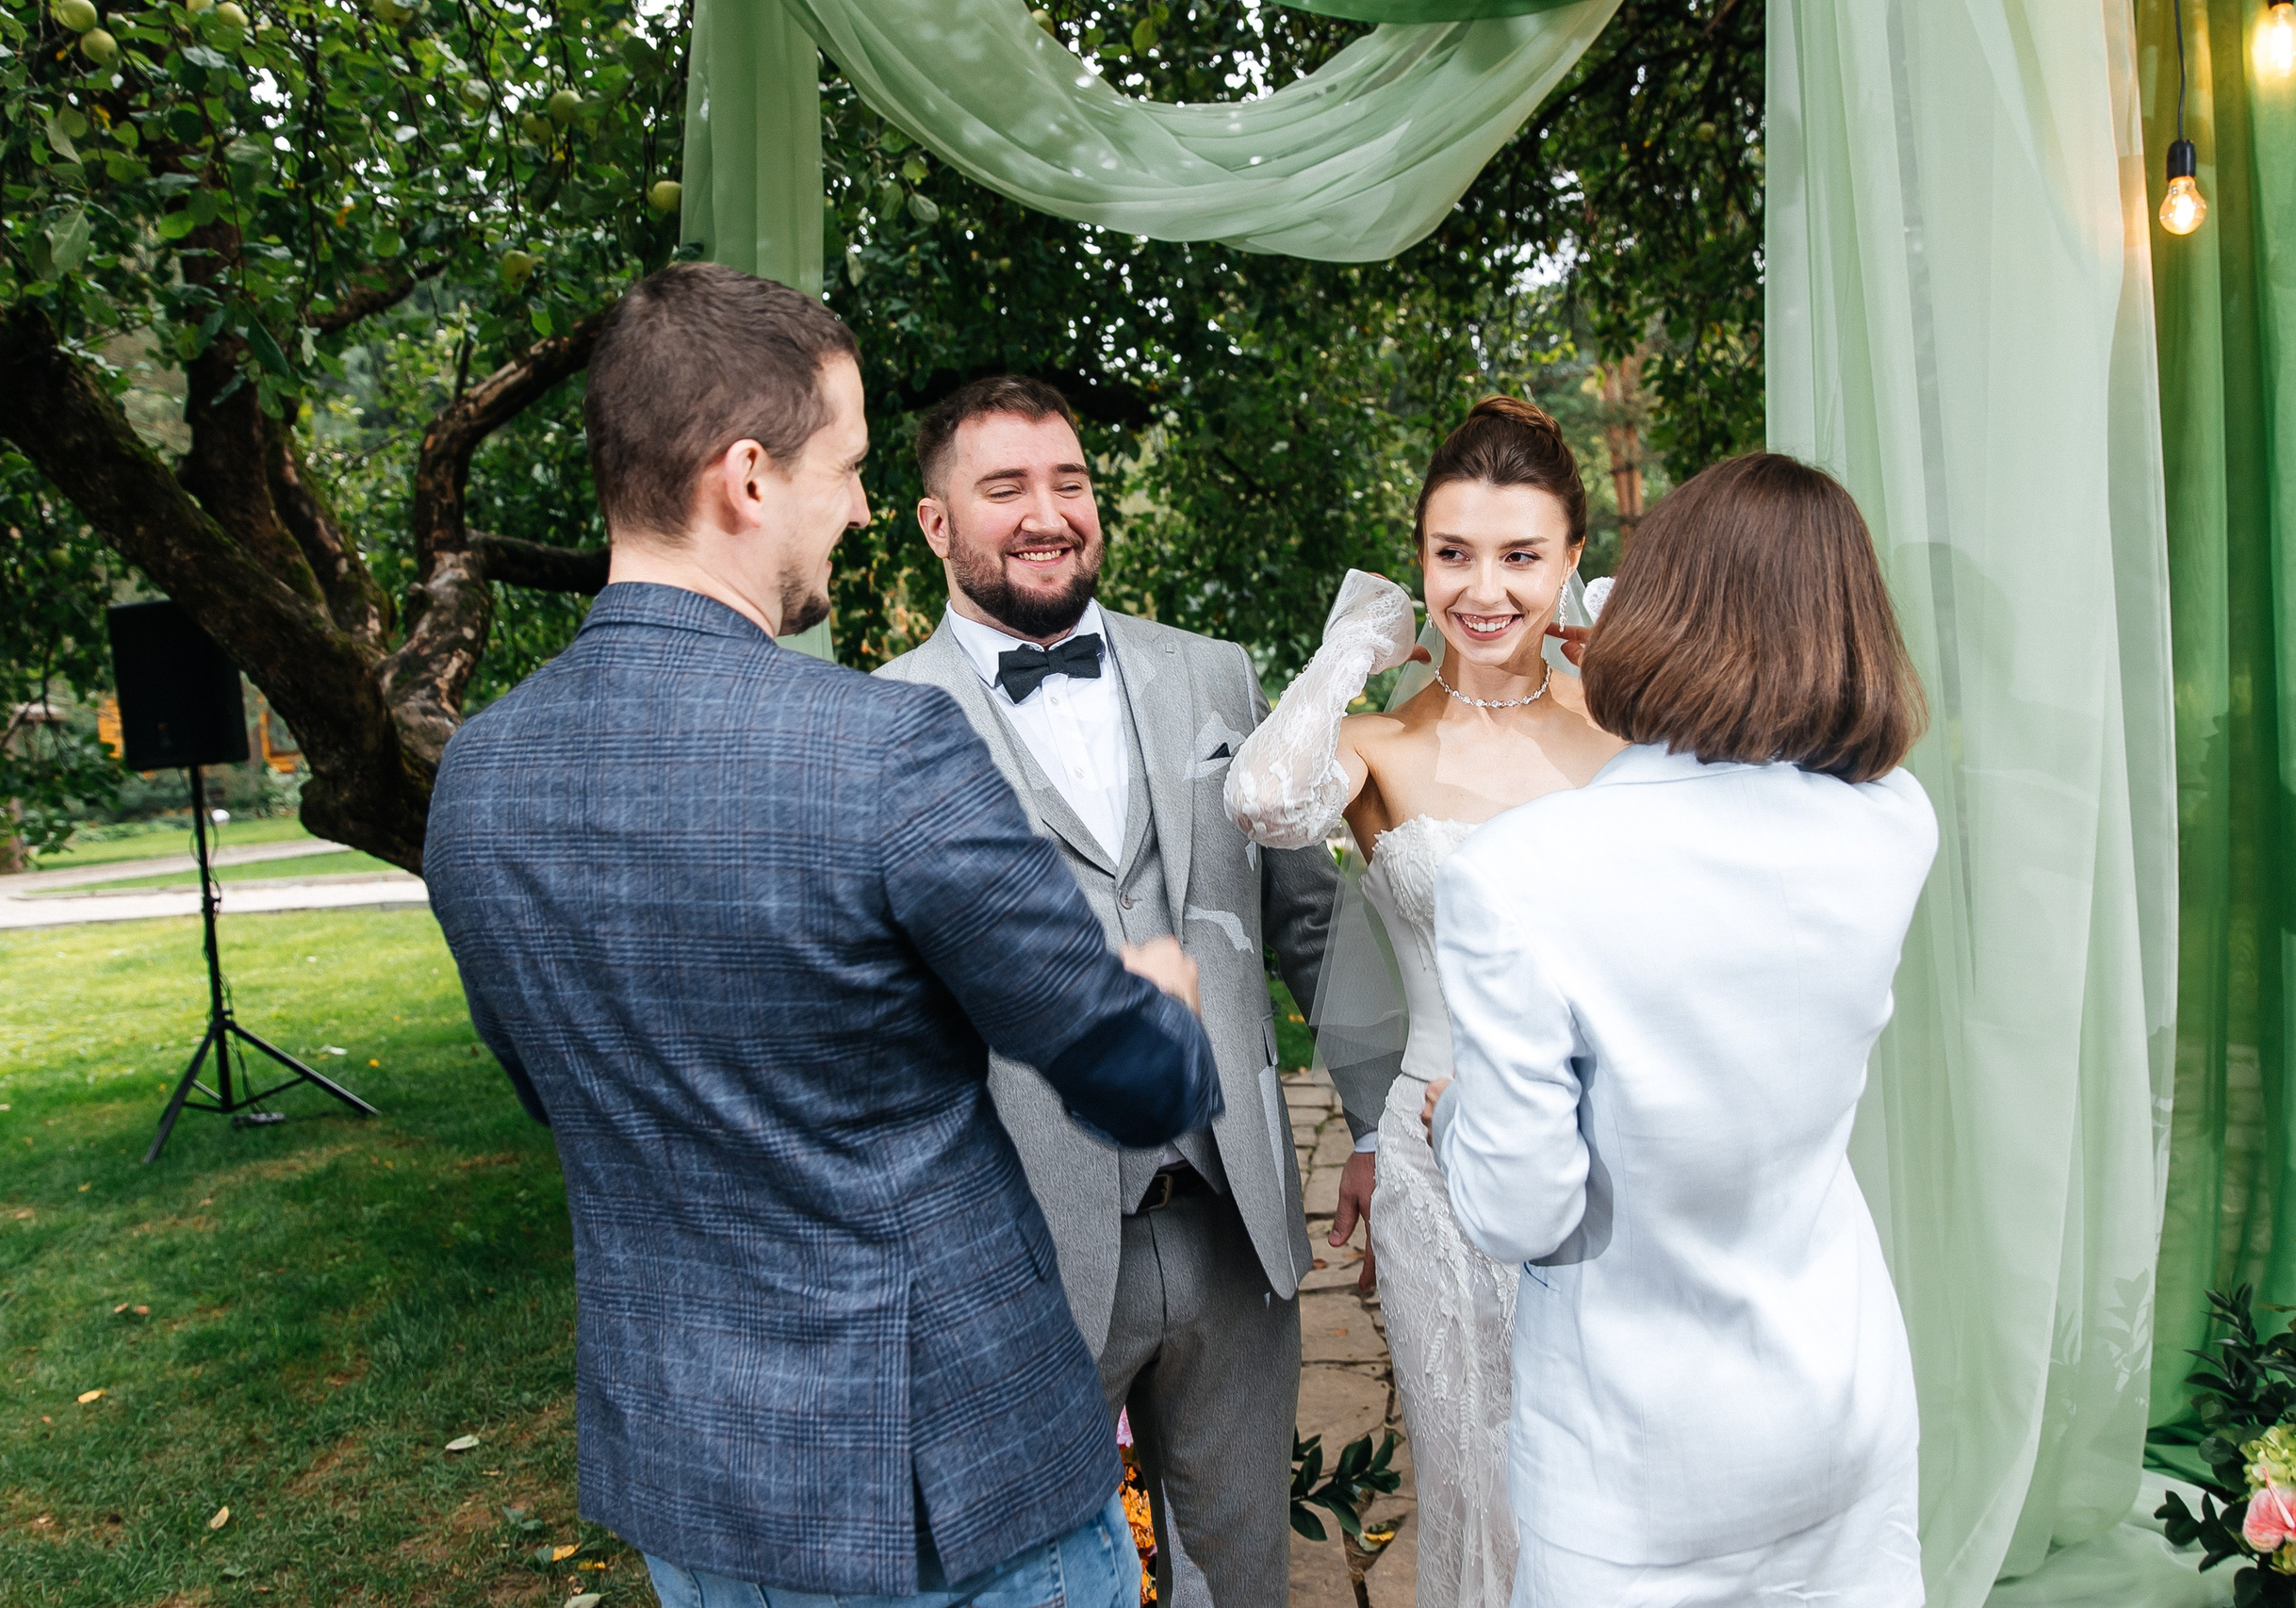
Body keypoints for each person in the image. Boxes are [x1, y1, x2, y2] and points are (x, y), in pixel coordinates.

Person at [421, 264, 1221, 1608]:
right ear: (748, 477)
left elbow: (556, 1089)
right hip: (949, 1492)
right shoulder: (884, 746)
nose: (858, 507)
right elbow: (1132, 1079)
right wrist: (1162, 998)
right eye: (845, 469)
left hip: (693, 1487)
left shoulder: (479, 775)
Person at [1425, 452, 1935, 1606]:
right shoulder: (1895, 822)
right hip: (1843, 1404)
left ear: (1653, 607)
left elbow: (1521, 1208)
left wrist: (1454, 1116)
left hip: (1635, 1460)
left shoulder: (1521, 872)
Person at [876, 375, 1348, 1608]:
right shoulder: (876, 723)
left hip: (1233, 1220)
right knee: (1038, 1582)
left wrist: (1378, 1121)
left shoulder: (1215, 675)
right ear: (935, 523)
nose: (1049, 513)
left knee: (1242, 1572)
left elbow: (1309, 919)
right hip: (1019, 1248)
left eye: (1070, 481)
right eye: (1006, 487)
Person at [1222, 396, 1626, 1608]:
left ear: (1571, 560)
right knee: (1472, 1470)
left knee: (1611, 1467)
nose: (1483, 590)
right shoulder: (1376, 744)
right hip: (1435, 1165)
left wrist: (1645, 659)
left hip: (1616, 1146)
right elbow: (1261, 800)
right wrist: (1352, 648)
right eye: (1452, 553)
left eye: (1520, 555)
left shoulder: (1630, 731)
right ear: (1419, 563)